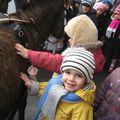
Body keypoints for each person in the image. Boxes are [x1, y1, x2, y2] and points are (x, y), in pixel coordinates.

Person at [19, 48, 96, 120]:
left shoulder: (82, 107)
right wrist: (31, 83)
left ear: (86, 79)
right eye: (68, 72)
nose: (71, 79)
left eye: (79, 75)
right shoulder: (57, 84)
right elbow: (47, 90)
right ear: (62, 72)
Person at [15, 14, 105, 74]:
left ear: (80, 40)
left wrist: (30, 54)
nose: (69, 40)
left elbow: (56, 61)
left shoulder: (80, 59)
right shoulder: (95, 53)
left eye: (72, 38)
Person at [102, 4, 120, 72]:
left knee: (115, 54)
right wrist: (104, 37)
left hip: (117, 42)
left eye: (118, 14)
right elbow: (105, 29)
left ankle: (111, 66)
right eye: (115, 14)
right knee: (107, 53)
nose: (116, 16)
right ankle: (104, 65)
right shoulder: (110, 21)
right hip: (108, 40)